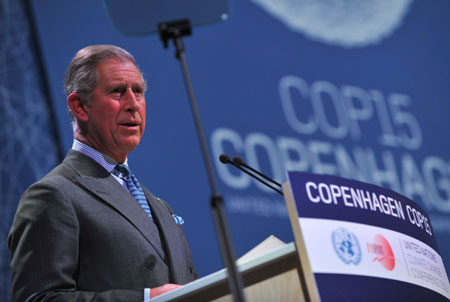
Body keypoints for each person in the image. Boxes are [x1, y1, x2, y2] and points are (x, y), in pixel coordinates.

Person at [8, 45, 197, 302]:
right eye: (118, 91)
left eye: (138, 92)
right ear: (80, 106)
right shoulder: (53, 195)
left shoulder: (161, 208)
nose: (133, 104)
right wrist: (145, 299)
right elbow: (38, 299)